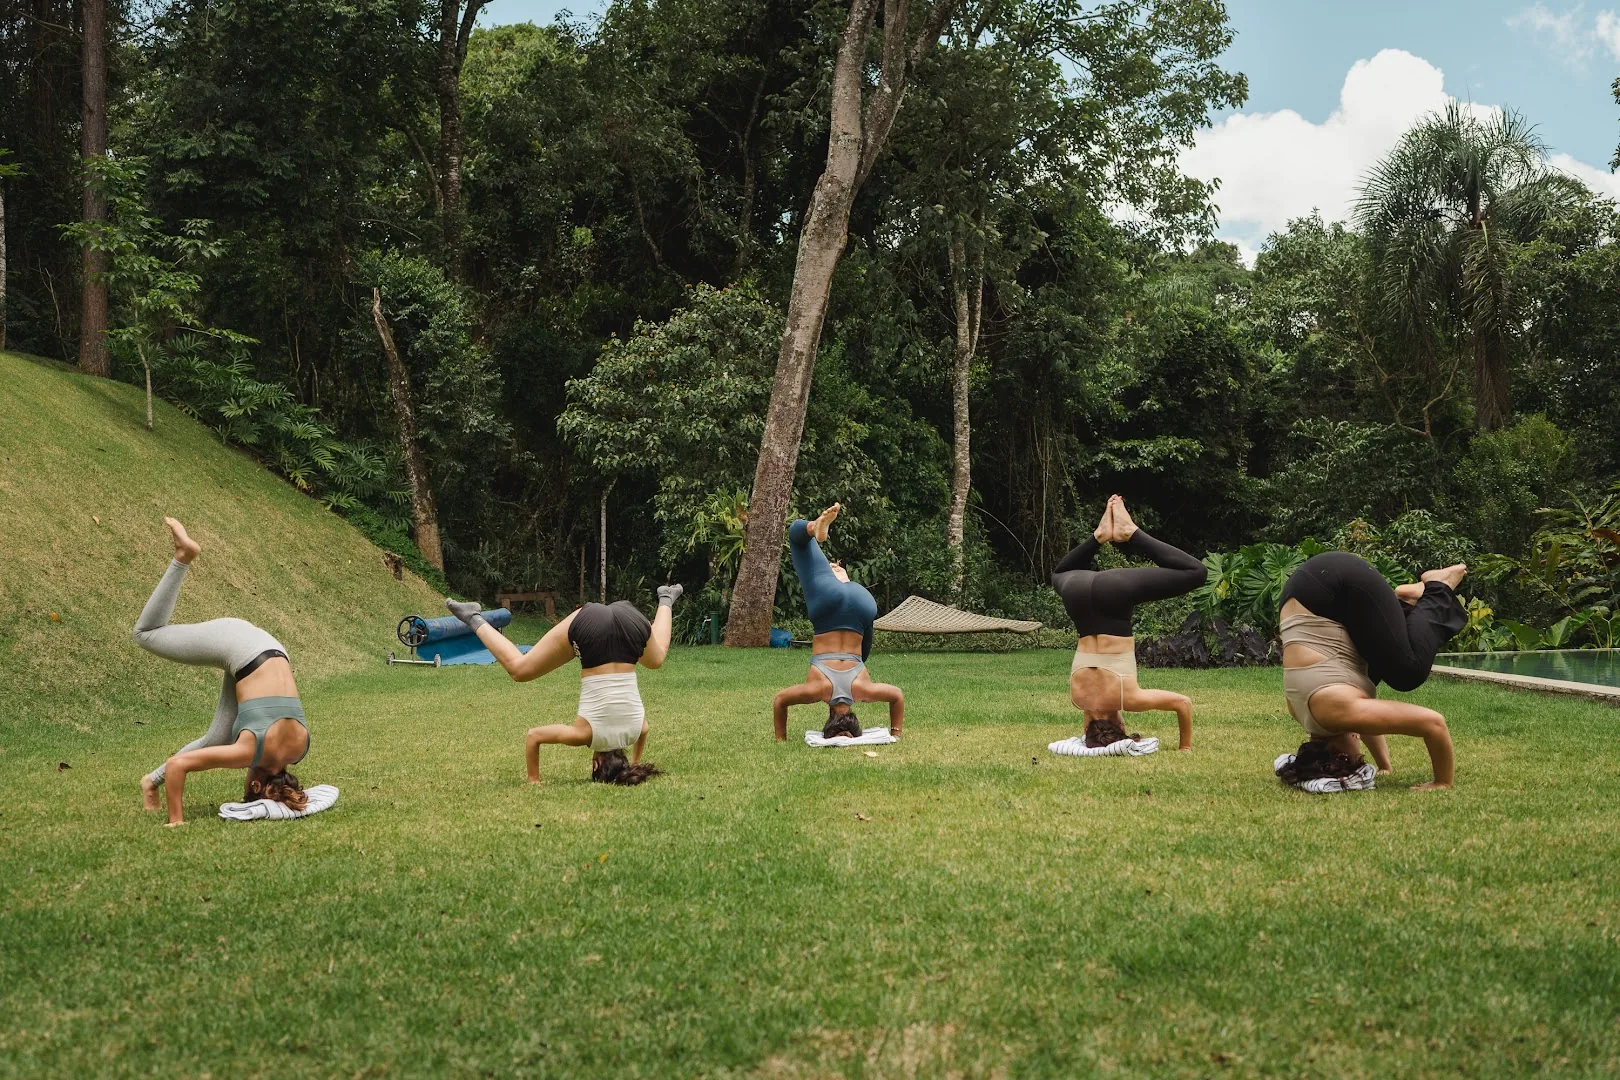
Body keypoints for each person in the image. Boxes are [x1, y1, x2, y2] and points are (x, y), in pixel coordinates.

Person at [135, 518, 311, 826]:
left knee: (217, 737)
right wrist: (176, 820)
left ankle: (150, 781)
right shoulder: (248, 751)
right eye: (247, 792)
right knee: (146, 633)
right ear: (255, 785)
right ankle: (183, 557)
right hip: (240, 645)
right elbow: (179, 765)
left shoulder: (298, 749)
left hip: (272, 653)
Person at [445, 587, 681, 784]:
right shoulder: (585, 735)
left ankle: (666, 599)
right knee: (519, 669)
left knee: (657, 658)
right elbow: (533, 736)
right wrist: (533, 781)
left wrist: (637, 763)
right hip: (591, 627)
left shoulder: (633, 730)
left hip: (630, 618)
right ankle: (472, 618)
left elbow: (645, 730)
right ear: (595, 763)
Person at [1278, 552, 1467, 789]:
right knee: (1371, 674)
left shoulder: (1339, 711)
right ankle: (1406, 603)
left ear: (1340, 755)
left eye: (1357, 760)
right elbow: (1365, 721)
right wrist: (1385, 766)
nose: (1360, 754)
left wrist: (1442, 781)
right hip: (1307, 589)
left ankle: (1439, 586)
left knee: (1408, 673)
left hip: (1339, 584)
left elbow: (1433, 723)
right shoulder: (1306, 713)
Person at [1052, 496, 1207, 751]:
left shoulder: (1129, 698)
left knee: (1196, 573)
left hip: (1114, 592)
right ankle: (1099, 537)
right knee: (1056, 574)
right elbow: (1094, 722)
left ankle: (1131, 533)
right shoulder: (1079, 700)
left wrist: (1185, 748)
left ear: (1121, 728)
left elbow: (1183, 703)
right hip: (1075, 589)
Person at [771, 504, 904, 742]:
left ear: (853, 718)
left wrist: (897, 733)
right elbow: (780, 701)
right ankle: (814, 529)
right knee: (796, 535)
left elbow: (897, 696)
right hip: (829, 606)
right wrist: (781, 739)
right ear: (828, 718)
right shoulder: (817, 691)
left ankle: (842, 579)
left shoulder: (863, 690)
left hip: (862, 603)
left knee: (860, 636)